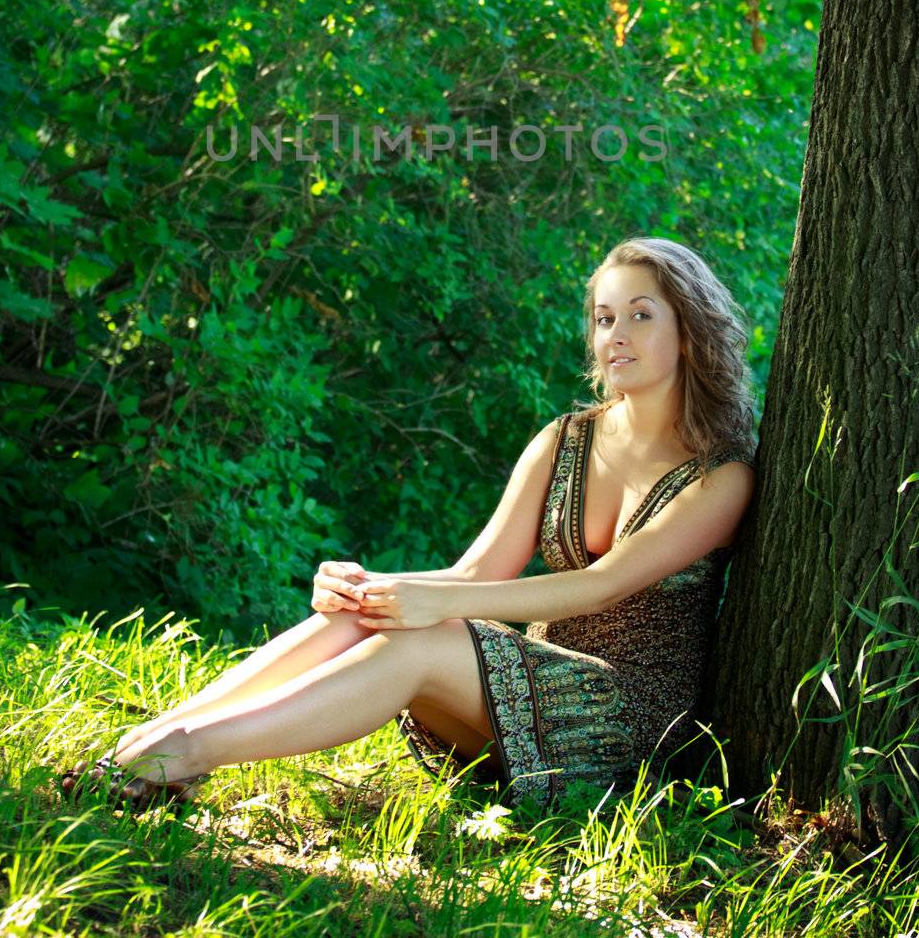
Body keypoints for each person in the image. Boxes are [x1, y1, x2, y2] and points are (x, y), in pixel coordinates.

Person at [60, 236, 758, 812]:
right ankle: (151, 740)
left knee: (417, 640)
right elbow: (475, 574)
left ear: (689, 333)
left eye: (640, 315)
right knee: (371, 612)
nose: (615, 336)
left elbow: (602, 586)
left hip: (625, 725)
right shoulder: (565, 439)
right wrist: (373, 586)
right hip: (520, 705)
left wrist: (434, 605)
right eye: (603, 318)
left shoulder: (719, 477)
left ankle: (180, 758)